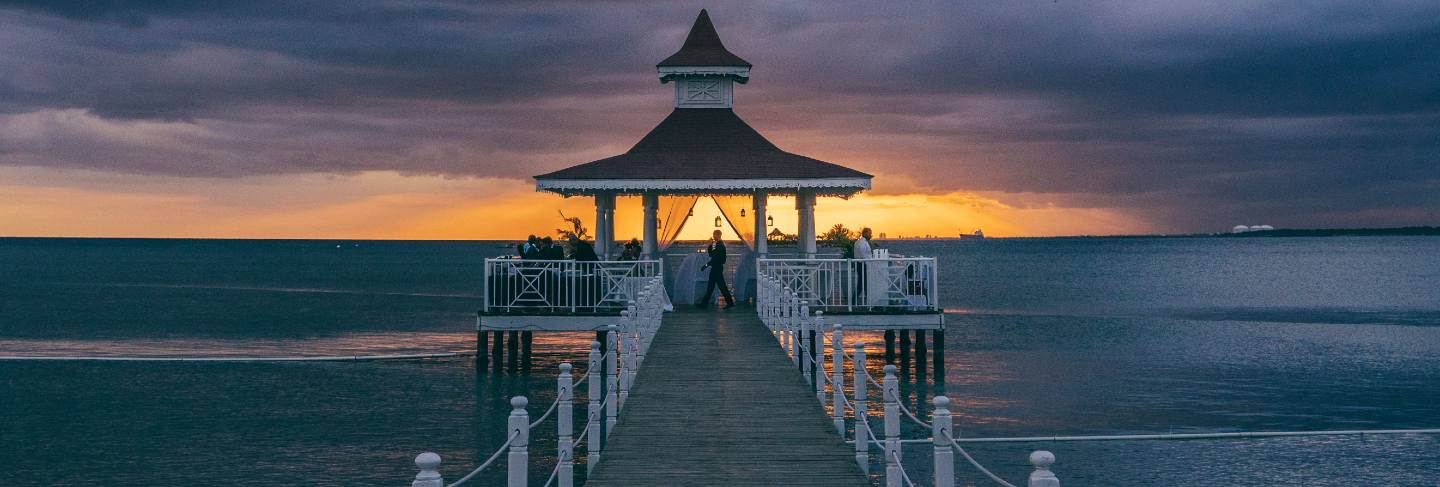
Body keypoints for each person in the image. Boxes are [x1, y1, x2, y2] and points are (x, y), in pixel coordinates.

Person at [697, 229, 735, 309]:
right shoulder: (717, 244)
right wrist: (710, 244)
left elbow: (714, 259)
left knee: (717, 287)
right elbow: (711, 254)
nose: (714, 236)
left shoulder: (720, 245)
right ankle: (704, 303)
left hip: (716, 269)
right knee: (714, 287)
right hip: (716, 268)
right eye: (714, 234)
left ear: (719, 235)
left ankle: (704, 303)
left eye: (715, 235)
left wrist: (706, 265)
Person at [853, 227, 873, 305]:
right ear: (865, 233)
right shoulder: (861, 243)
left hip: (861, 264)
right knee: (863, 283)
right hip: (862, 265)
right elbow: (863, 255)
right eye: (870, 233)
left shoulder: (859, 242)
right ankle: (868, 302)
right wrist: (869, 264)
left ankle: (868, 301)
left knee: (863, 283)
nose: (871, 235)